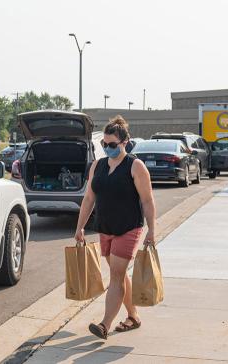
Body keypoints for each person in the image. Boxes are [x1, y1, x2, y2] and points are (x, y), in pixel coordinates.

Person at [74, 115, 157, 340]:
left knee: (117, 276)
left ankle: (104, 324)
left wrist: (151, 230)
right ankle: (133, 315)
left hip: (128, 228)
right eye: (104, 145)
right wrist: (80, 227)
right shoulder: (98, 166)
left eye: (112, 145)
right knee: (119, 275)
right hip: (106, 227)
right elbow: (89, 198)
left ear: (125, 143)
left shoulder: (135, 166)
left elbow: (148, 201)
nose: (108, 148)